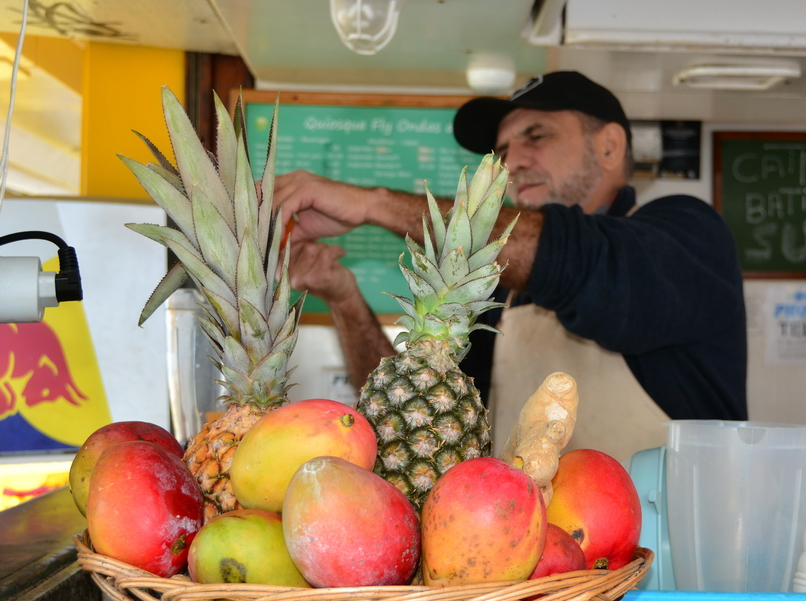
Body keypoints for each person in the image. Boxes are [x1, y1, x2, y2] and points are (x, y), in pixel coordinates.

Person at [275, 71, 747, 464]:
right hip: (530, 563)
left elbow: (570, 258)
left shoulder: (686, 236)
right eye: (501, 151)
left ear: (609, 146)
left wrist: (371, 202)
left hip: (670, 566)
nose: (512, 162)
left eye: (536, 136)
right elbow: (416, 415)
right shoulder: (501, 288)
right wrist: (343, 296)